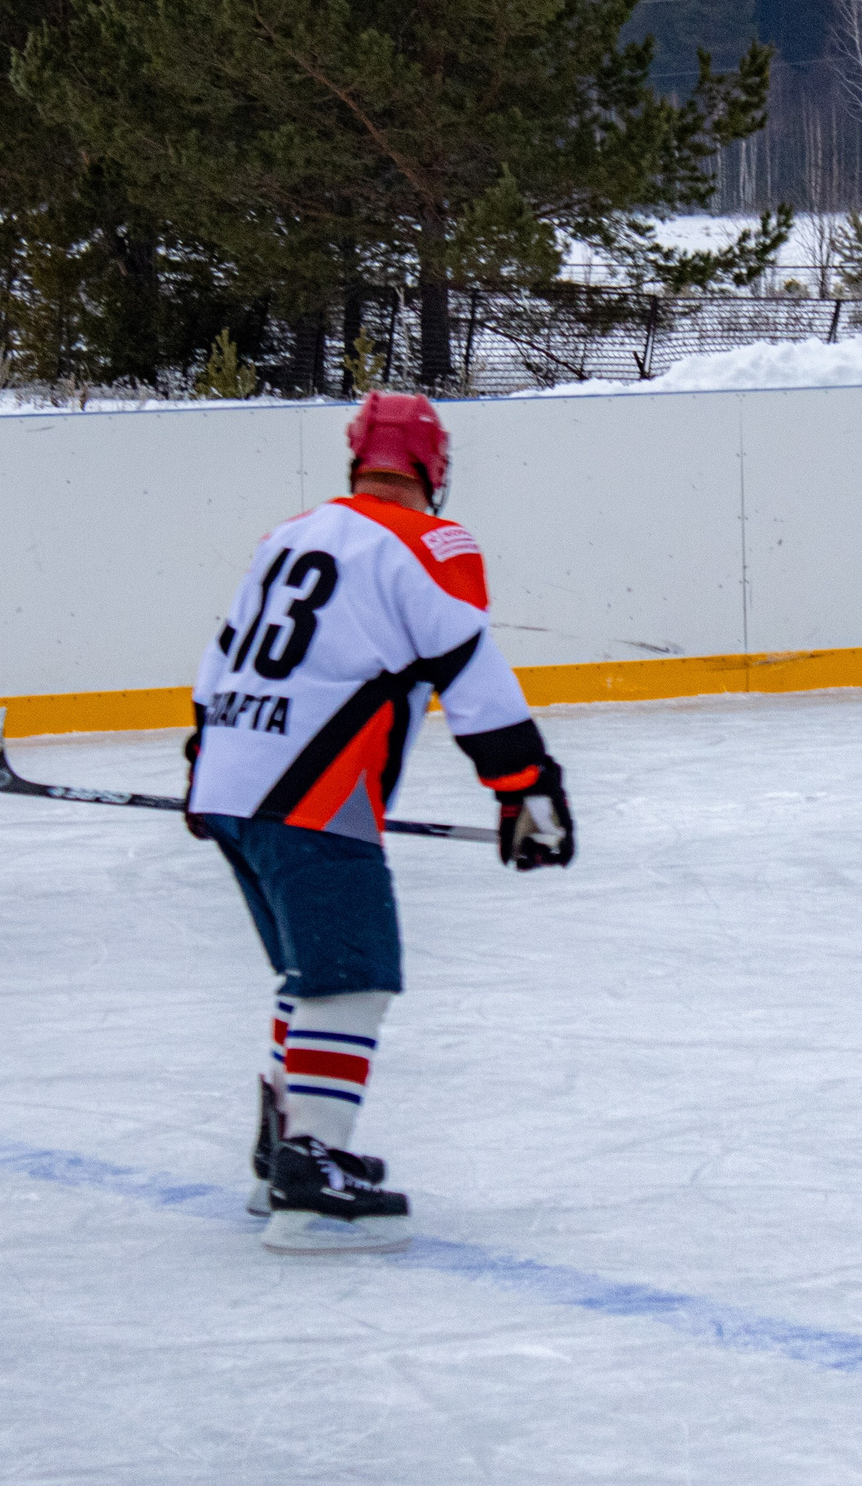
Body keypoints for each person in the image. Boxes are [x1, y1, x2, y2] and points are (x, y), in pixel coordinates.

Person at [187, 392, 575, 1255]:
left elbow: (220, 659)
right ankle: (313, 1180)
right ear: (433, 471)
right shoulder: (434, 542)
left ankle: (281, 1152)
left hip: (230, 777)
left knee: (309, 972)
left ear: (357, 463)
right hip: (313, 791)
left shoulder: (286, 534)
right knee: (352, 974)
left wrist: (202, 763)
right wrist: (525, 786)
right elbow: (466, 664)